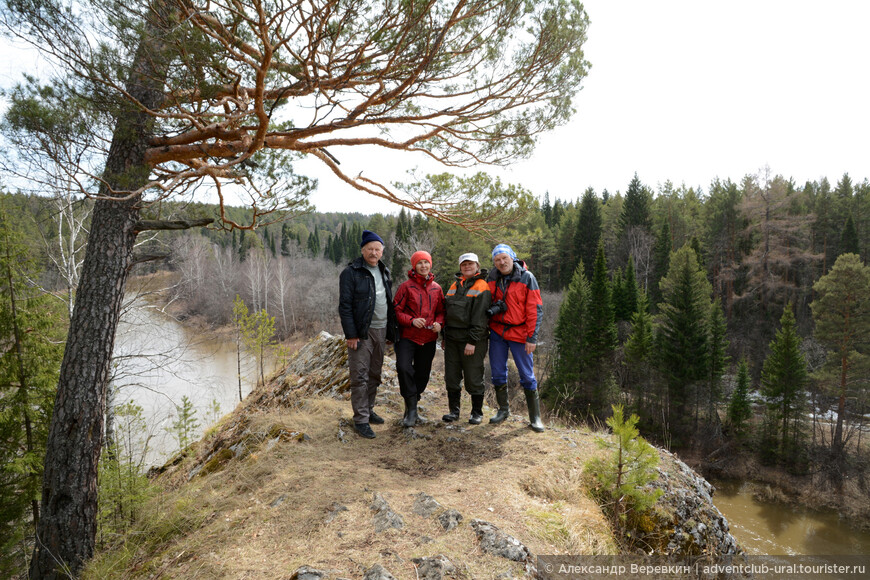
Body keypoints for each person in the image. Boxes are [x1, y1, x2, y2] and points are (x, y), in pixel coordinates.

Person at [338, 230, 397, 439]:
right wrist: (351, 334)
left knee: (374, 374)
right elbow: (344, 306)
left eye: (377, 249)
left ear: (382, 252)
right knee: (359, 376)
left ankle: (369, 409)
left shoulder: (384, 271)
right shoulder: (351, 272)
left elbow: (388, 304)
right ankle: (361, 420)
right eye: (370, 249)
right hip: (362, 333)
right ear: (363, 250)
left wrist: (390, 332)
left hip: (381, 331)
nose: (374, 253)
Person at [487, 243, 545, 432]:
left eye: (504, 258)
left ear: (512, 257)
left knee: (527, 375)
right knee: (497, 372)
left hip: (520, 333)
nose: (501, 262)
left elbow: (535, 309)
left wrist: (532, 337)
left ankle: (535, 417)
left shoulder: (527, 278)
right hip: (497, 331)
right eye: (497, 260)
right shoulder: (491, 278)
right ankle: (504, 410)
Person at [393, 251, 444, 427]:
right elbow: (396, 311)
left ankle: (411, 408)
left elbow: (441, 311)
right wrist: (412, 321)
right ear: (414, 266)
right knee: (403, 368)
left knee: (422, 374)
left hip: (429, 338)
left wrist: (439, 323)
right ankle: (412, 411)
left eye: (426, 262)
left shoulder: (437, 288)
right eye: (419, 263)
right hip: (407, 336)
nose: (423, 266)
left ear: (430, 265)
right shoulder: (405, 287)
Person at [442, 252, 491, 424]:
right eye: (464, 264)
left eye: (470, 264)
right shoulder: (454, 285)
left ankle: (476, 412)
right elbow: (446, 313)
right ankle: (454, 412)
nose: (467, 267)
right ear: (460, 267)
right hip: (452, 339)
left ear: (477, 266)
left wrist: (472, 341)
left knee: (473, 376)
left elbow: (481, 318)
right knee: (452, 376)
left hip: (472, 340)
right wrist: (444, 337)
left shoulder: (481, 286)